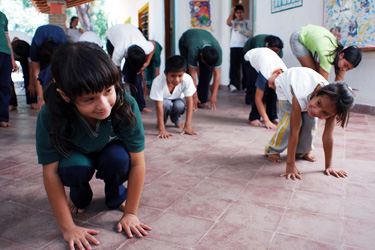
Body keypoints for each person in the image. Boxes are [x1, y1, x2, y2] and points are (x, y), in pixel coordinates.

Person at [35, 42, 151, 250]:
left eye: (108, 91)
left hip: (110, 152)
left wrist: (131, 213)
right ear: (65, 96)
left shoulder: (127, 104)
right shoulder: (50, 114)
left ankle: (115, 194)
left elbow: (137, 162)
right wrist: (68, 228)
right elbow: (51, 173)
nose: (103, 105)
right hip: (76, 156)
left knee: (119, 160)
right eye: (89, 99)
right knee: (73, 169)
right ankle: (79, 196)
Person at [265, 67, 354, 180]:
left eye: (325, 113)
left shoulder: (333, 103)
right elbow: (294, 131)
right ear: (318, 92)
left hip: (305, 90)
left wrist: (329, 166)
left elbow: (328, 137)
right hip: (286, 87)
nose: (316, 111)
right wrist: (290, 165)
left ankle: (302, 151)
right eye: (319, 103)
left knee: (310, 123)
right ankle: (273, 149)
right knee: (288, 125)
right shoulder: (301, 95)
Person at [106, 24, 155, 113]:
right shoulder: (119, 50)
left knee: (136, 76)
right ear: (127, 56)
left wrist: (146, 63)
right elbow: (116, 70)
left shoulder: (144, 46)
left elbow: (153, 44)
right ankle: (119, 104)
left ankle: (141, 105)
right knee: (117, 79)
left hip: (129, 34)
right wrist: (119, 85)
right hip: (112, 37)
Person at [290, 24, 362, 81]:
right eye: (345, 65)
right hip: (299, 36)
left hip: (314, 38)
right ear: (341, 55)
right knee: (314, 75)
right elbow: (322, 83)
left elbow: (339, 80)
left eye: (348, 69)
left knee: (318, 75)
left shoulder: (342, 59)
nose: (344, 70)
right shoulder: (327, 55)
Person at [150, 55, 197, 139]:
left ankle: (177, 120)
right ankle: (162, 123)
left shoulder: (187, 79)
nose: (177, 80)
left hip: (178, 101)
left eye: (180, 75)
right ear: (165, 73)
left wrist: (187, 126)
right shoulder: (158, 81)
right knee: (166, 104)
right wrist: (162, 129)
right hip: (164, 102)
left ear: (184, 72)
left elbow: (190, 102)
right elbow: (159, 105)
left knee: (180, 105)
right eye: (172, 76)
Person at [179, 29, 222, 110]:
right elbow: (192, 75)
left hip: (200, 41)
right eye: (204, 62)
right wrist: (195, 95)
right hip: (185, 42)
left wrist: (214, 96)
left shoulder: (218, 52)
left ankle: (201, 101)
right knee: (187, 72)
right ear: (201, 55)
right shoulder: (193, 50)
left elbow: (217, 75)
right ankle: (191, 101)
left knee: (206, 71)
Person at [244, 48, 287, 129]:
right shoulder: (266, 73)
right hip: (250, 58)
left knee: (273, 91)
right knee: (256, 88)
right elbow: (258, 99)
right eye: (273, 84)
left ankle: (272, 116)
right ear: (277, 73)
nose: (271, 86)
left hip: (266, 58)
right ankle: (254, 117)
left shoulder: (286, 73)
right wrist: (266, 121)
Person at [30, 24, 67, 110]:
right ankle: (46, 97)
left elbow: (67, 69)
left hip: (59, 42)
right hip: (43, 46)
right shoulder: (35, 46)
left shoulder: (65, 45)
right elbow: (36, 72)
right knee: (44, 75)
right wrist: (40, 97)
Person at [243, 34, 283, 105]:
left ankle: (264, 99)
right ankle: (250, 99)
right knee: (252, 80)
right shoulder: (259, 44)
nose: (275, 53)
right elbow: (257, 59)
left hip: (262, 61)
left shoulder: (279, 51)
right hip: (250, 57)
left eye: (277, 51)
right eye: (273, 50)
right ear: (267, 46)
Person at [226, 4, 252, 93]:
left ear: (243, 12)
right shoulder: (234, 22)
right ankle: (232, 85)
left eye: (240, 12)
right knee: (234, 66)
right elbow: (227, 22)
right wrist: (232, 12)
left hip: (244, 47)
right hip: (234, 47)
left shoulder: (248, 22)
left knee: (245, 66)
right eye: (237, 13)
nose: (239, 14)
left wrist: (242, 30)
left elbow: (250, 33)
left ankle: (245, 85)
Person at [9, 31, 38, 110]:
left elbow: (31, 68)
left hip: (24, 54)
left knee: (28, 75)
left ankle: (32, 100)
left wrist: (31, 84)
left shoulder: (29, 45)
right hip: (9, 54)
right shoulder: (6, 43)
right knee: (6, 78)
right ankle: (12, 103)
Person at [0, 11, 18, 128]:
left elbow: (7, 37)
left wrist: (12, 59)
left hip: (5, 54)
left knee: (5, 86)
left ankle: (2, 118)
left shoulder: (2, 16)